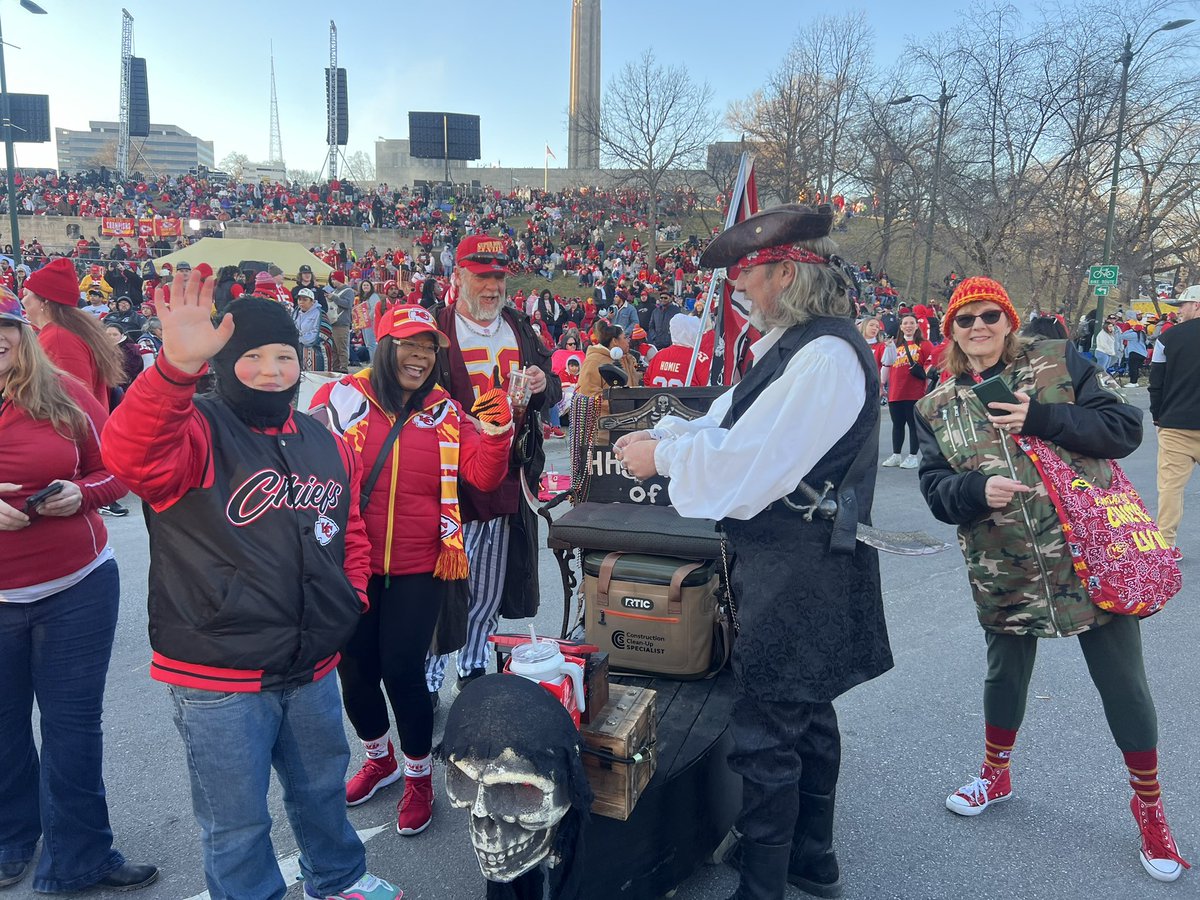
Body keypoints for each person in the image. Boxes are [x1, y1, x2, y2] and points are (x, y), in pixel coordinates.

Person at [619, 204, 893, 900]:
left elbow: (748, 465)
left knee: (770, 724)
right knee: (804, 712)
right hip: (791, 560)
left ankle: (766, 885)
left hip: (800, 567)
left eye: (751, 277)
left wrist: (662, 459)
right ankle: (810, 855)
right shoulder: (792, 348)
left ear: (791, 274)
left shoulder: (825, 355)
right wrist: (665, 442)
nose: (741, 293)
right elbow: (722, 420)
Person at [101, 275, 403, 900]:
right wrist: (173, 371)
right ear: (224, 362)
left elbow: (347, 531)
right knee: (236, 823)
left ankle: (339, 879)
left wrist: (349, 600)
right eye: (253, 356)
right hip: (219, 673)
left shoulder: (322, 439)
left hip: (314, 661)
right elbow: (130, 456)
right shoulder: (197, 428)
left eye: (285, 356)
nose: (271, 370)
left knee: (322, 791)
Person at [913, 276, 1189, 884]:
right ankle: (996, 773)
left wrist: (1043, 418)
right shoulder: (935, 406)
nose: (978, 327)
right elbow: (934, 491)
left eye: (990, 315)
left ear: (1009, 321)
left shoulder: (1060, 365)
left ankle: (1149, 810)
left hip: (1089, 554)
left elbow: (1123, 429)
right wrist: (972, 490)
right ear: (952, 332)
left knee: (1123, 682)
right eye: (965, 319)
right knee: (1003, 672)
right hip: (1002, 561)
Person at [312, 304, 511, 836]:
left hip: (423, 562)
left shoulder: (445, 410)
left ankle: (419, 777)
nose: (420, 357)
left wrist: (496, 432)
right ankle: (379, 759)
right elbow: (308, 467)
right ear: (383, 347)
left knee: (403, 671)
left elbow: (483, 479)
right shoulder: (340, 398)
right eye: (409, 345)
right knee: (354, 671)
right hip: (351, 564)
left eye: (429, 348)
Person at [0, 289, 157, 894]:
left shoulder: (63, 392)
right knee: (4, 726)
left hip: (77, 587)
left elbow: (122, 465)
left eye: (4, 327)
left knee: (71, 728)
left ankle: (81, 856)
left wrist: (83, 494)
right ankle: (14, 834)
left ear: (22, 330)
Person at [424, 235, 561, 695]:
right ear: (458, 276)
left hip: (506, 474)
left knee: (486, 584)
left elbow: (555, 388)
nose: (492, 287)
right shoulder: (435, 329)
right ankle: (429, 674)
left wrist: (543, 384)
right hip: (448, 474)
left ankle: (474, 663)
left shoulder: (520, 327)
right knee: (440, 582)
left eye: (498, 277)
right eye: (482, 276)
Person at [22, 257, 130, 516]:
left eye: (27, 294)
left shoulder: (59, 337)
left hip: (71, 451)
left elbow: (73, 403)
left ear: (44, 302)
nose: (22, 300)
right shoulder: (65, 332)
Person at [1149, 283, 1200, 560]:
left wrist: (1158, 416)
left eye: (1183, 305)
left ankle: (1165, 545)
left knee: (1170, 488)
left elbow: (1155, 382)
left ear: (1197, 306)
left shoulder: (1167, 339)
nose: (1179, 311)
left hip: (1176, 425)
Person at [880, 313, 934, 468]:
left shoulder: (924, 344)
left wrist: (929, 388)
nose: (909, 326)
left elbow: (930, 367)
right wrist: (882, 384)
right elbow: (887, 365)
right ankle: (896, 454)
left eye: (912, 323)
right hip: (896, 391)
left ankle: (912, 456)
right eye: (905, 323)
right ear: (901, 326)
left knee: (912, 424)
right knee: (897, 424)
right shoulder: (895, 344)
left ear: (917, 326)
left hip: (915, 392)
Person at [294, 287, 333, 372]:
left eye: (305, 299)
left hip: (316, 348)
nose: (301, 302)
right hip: (300, 348)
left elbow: (323, 332)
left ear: (312, 301)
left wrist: (302, 339)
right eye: (299, 299)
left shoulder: (320, 314)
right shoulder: (296, 312)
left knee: (316, 374)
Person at [327, 271, 354, 372]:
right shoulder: (335, 291)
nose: (333, 282)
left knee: (341, 348)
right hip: (333, 323)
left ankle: (343, 369)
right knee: (334, 349)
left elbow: (348, 304)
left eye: (334, 279)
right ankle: (335, 368)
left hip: (342, 324)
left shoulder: (348, 291)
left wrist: (333, 298)